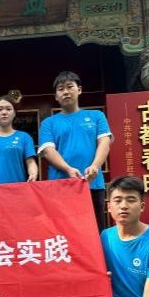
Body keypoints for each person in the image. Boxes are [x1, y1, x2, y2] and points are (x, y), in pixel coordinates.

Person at [38, 70, 112, 231]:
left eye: (69, 86)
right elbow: (48, 150)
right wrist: (68, 169)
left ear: (79, 90)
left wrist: (95, 166)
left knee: (94, 231)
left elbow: (105, 142)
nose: (65, 91)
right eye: (60, 89)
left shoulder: (96, 116)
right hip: (60, 185)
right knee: (63, 233)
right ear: (56, 96)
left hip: (92, 184)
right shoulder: (48, 123)